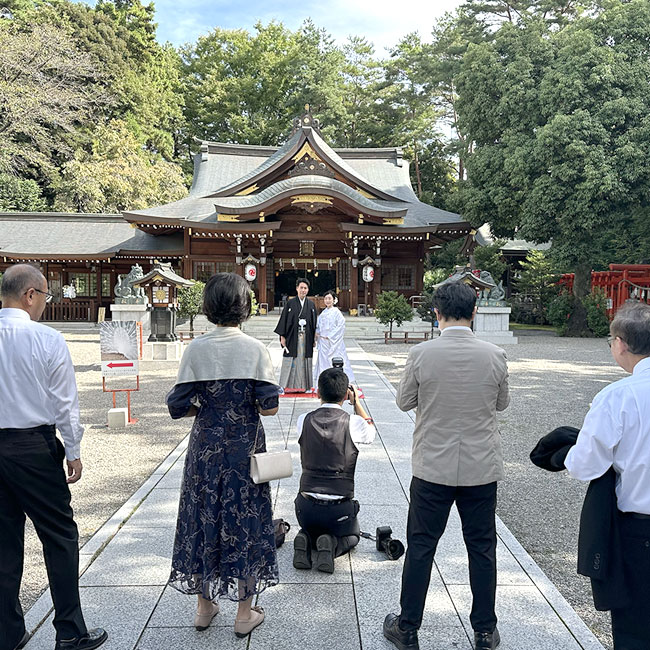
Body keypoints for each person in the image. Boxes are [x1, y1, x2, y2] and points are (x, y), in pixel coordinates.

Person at [384, 281, 509, 650]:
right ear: (475, 312)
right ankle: (485, 630)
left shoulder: (422, 354)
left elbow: (404, 401)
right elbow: (501, 404)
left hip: (433, 467)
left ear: (436, 313)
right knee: (482, 547)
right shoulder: (494, 354)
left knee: (422, 546)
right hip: (480, 466)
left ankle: (407, 628)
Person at [166, 272, 280, 638]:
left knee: (203, 515)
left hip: (205, 447)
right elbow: (269, 406)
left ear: (208, 308)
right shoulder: (254, 349)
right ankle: (244, 612)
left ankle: (204, 606)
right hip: (244, 447)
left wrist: (205, 411)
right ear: (244, 308)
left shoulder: (196, 349)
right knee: (245, 517)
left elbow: (176, 405)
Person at [0, 264, 107, 650]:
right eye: (45, 296)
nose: (46, 304)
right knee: (59, 535)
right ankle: (69, 630)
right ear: (30, 294)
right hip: (33, 446)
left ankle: (8, 633)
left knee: (3, 542)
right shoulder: (47, 339)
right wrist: (73, 451)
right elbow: (65, 403)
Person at [564, 301, 650, 650]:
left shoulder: (617, 397)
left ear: (620, 343)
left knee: (634, 629)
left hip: (639, 530)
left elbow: (583, 465)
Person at [293, 368, 375, 573]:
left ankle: (306, 539)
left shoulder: (303, 419)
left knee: (311, 527)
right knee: (353, 536)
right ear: (345, 394)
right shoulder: (353, 423)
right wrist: (356, 402)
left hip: (305, 509)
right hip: (339, 509)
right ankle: (331, 546)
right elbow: (371, 432)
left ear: (318, 393)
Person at [274, 278, 317, 393]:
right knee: (290, 360)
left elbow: (314, 323)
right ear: (297, 288)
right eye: (301, 287)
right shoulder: (290, 303)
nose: (303, 290)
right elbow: (284, 320)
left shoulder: (311, 305)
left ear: (308, 290)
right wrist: (282, 337)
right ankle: (284, 386)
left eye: (305, 288)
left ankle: (306, 386)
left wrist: (313, 339)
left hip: (306, 338)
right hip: (293, 337)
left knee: (305, 361)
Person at [313, 290, 356, 387]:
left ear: (333, 300)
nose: (327, 301)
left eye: (329, 298)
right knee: (323, 362)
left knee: (335, 360)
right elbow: (318, 326)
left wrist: (330, 336)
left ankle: (337, 383)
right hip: (323, 342)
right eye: (326, 299)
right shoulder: (323, 313)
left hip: (334, 342)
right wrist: (317, 334)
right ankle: (324, 383)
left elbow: (341, 325)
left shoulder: (336, 312)